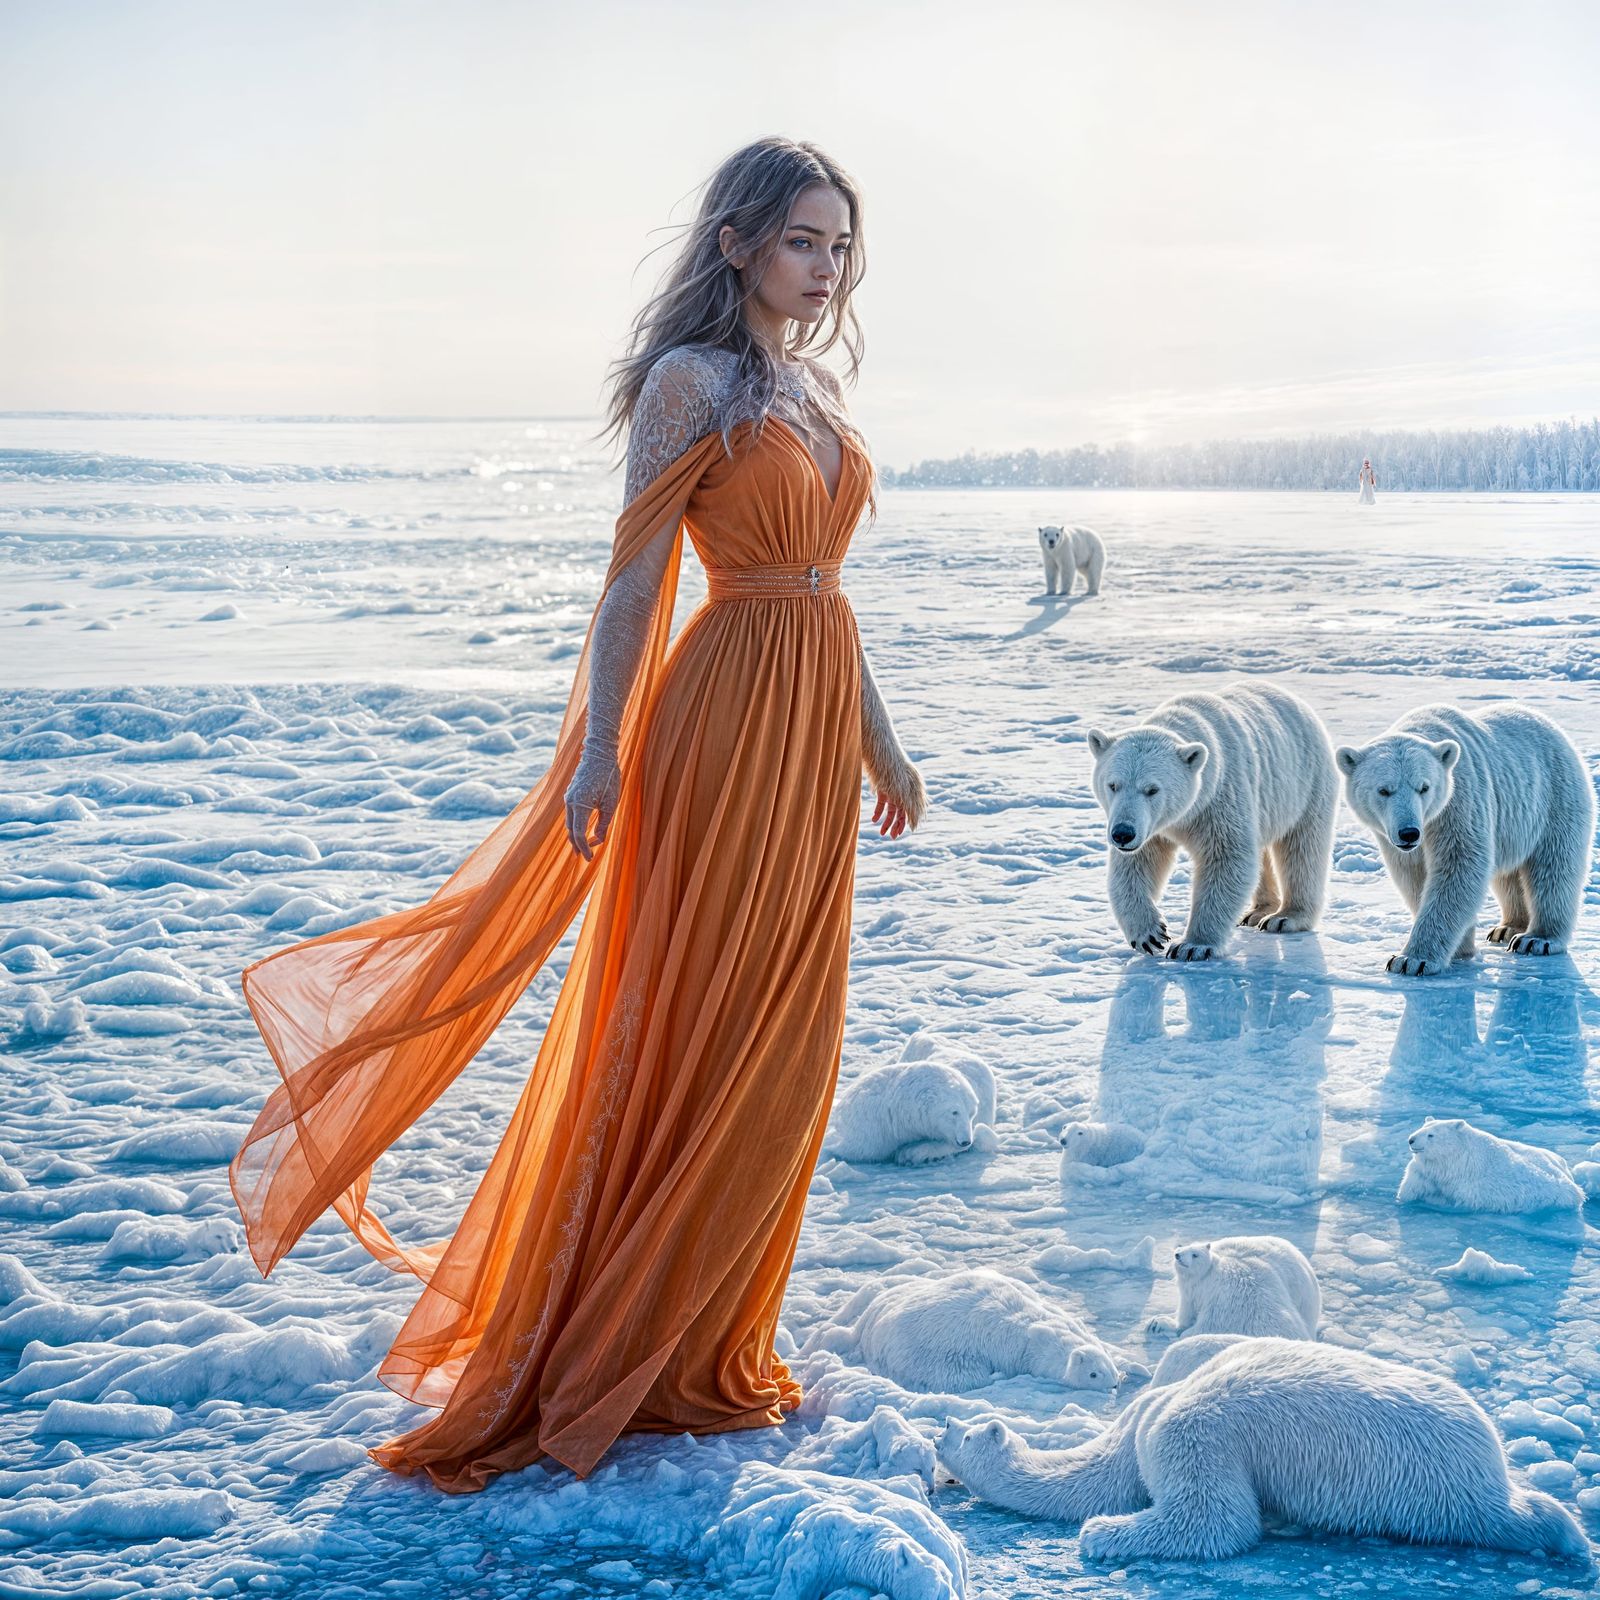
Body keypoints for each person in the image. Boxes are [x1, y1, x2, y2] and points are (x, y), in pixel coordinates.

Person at [226, 136, 926, 1494]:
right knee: (700, 1024)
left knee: (786, 1042)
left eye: (840, 244)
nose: (826, 266)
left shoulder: (814, 390)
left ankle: (715, 1326)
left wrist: (879, 748)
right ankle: (632, 1339)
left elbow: (823, 594)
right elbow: (635, 582)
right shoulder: (691, 382)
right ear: (736, 243)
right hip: (720, 727)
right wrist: (603, 753)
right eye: (802, 240)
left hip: (808, 732)